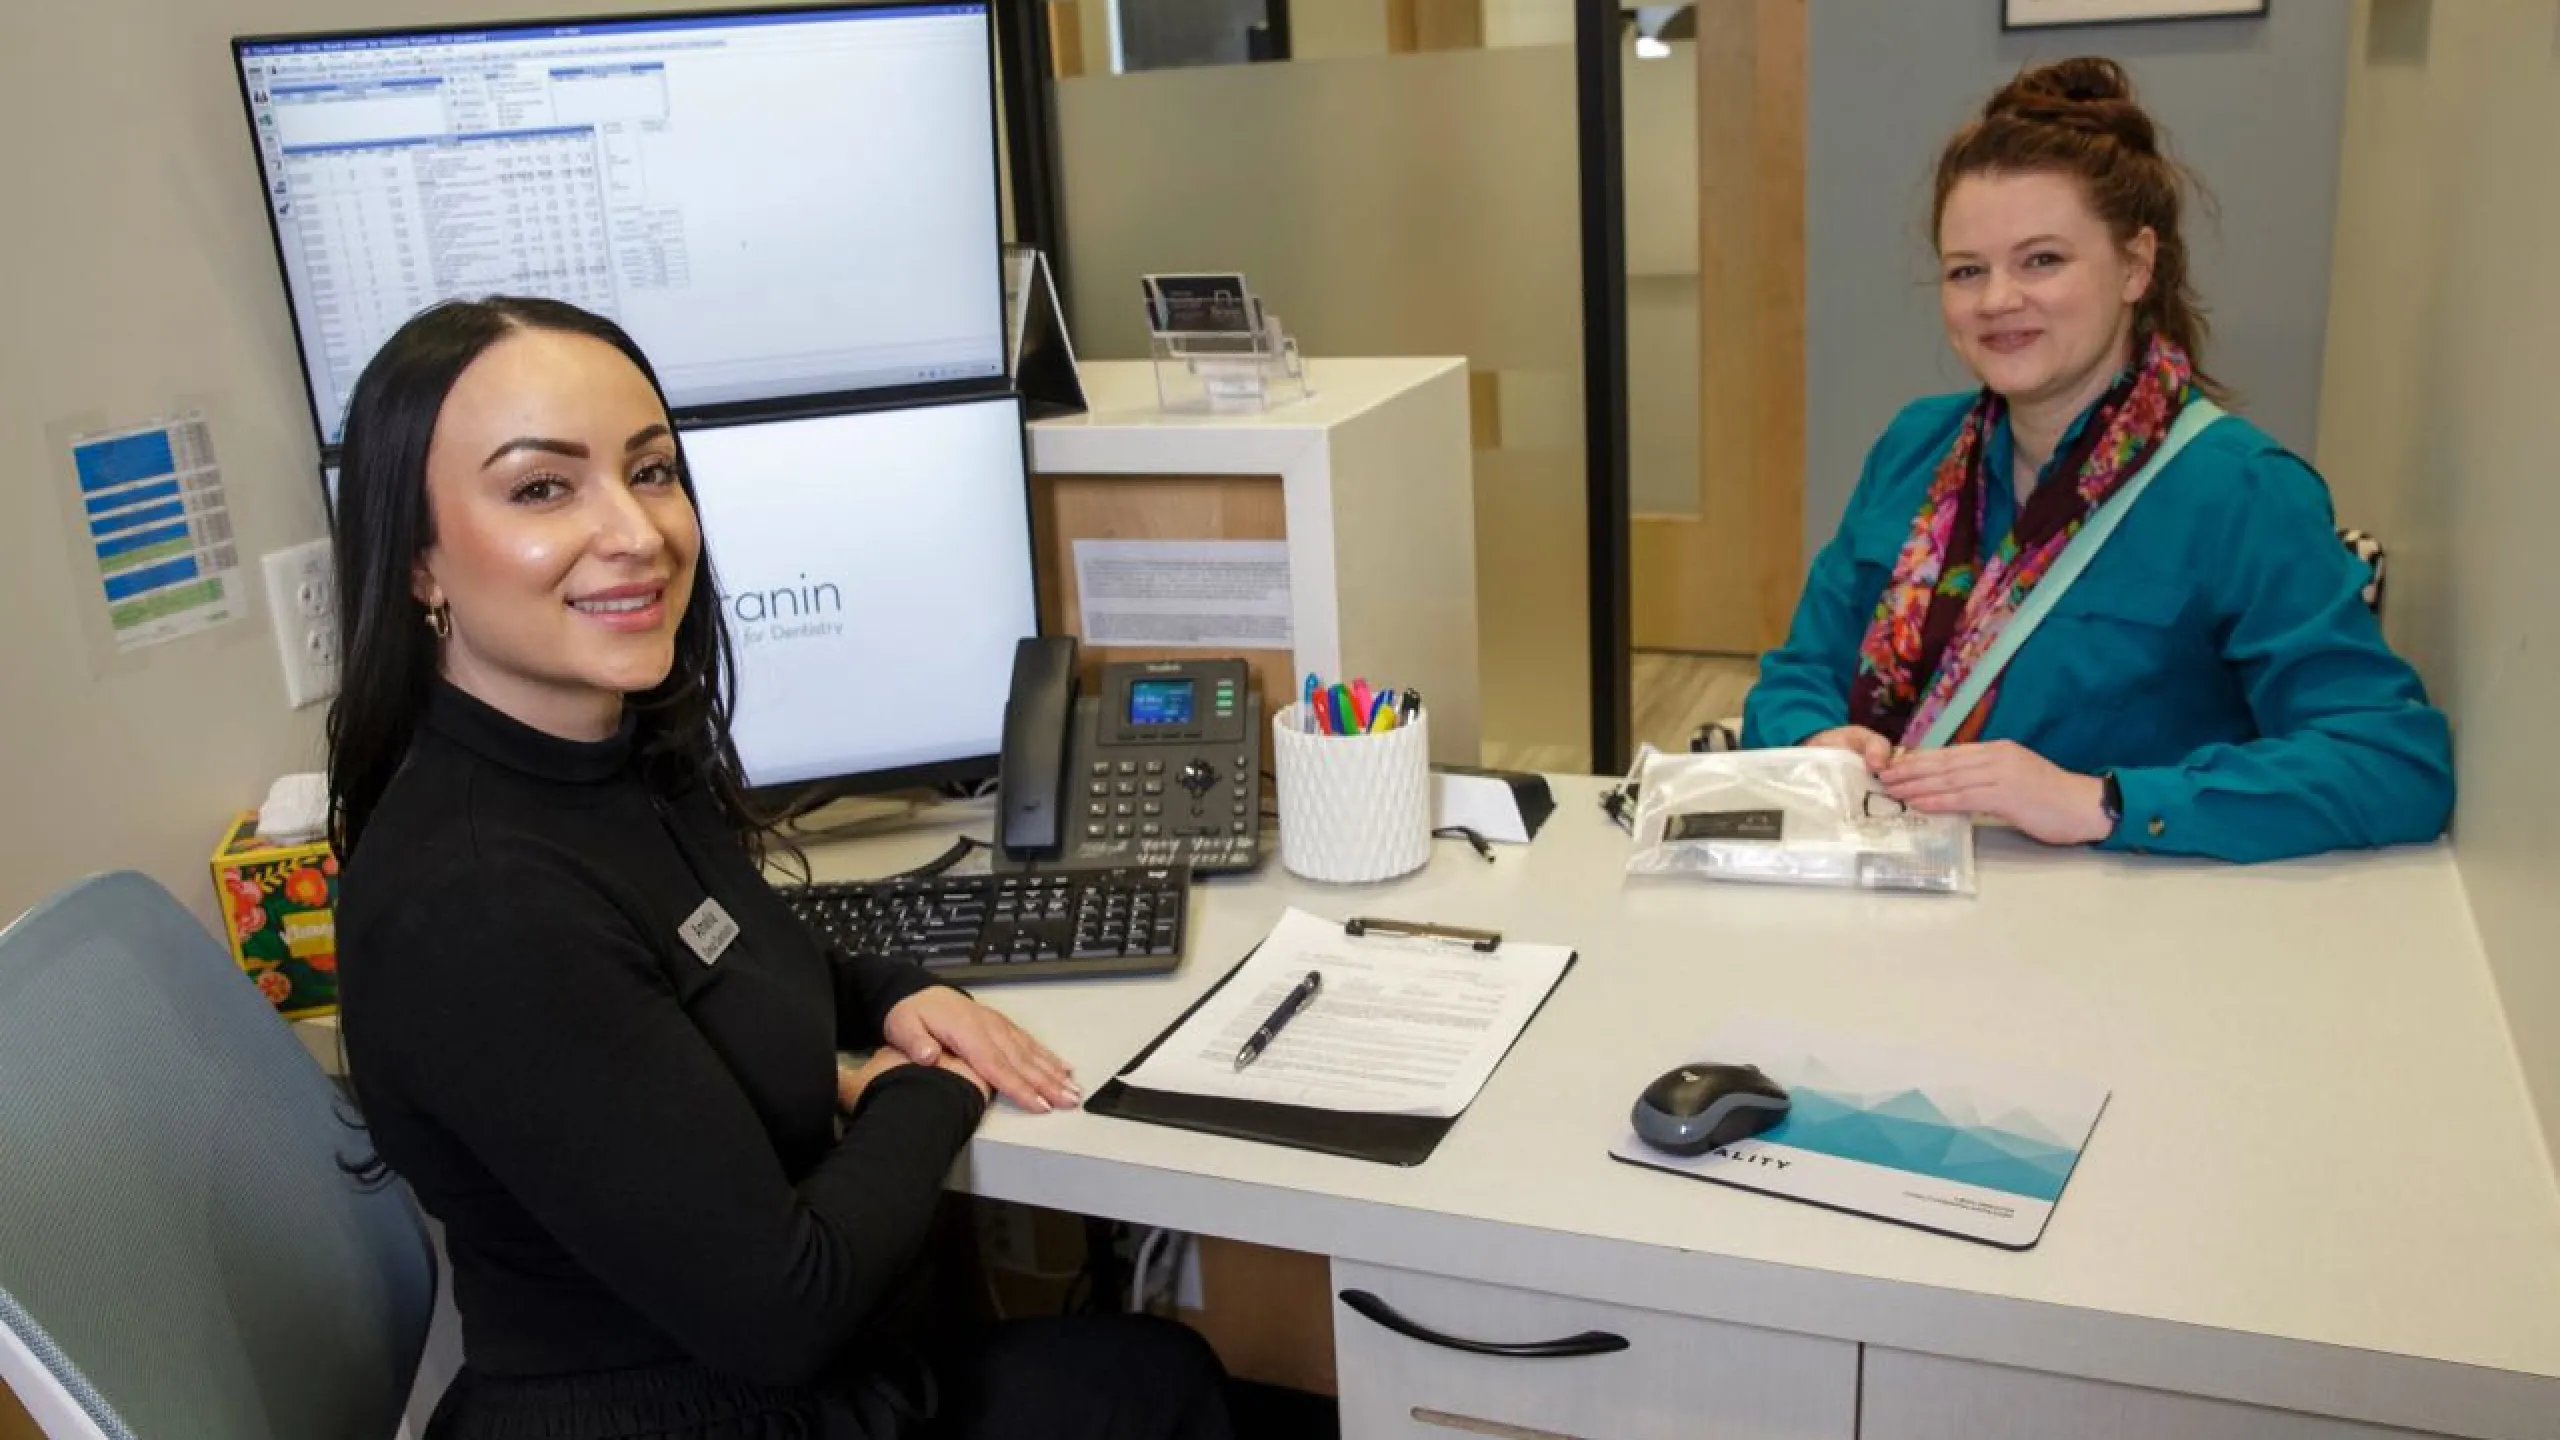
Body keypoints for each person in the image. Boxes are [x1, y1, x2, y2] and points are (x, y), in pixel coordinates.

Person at [328, 296, 1233, 1440]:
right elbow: (784, 1306)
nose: (638, 531)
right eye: (542, 488)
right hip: (685, 1407)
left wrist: (903, 991)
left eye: (650, 471)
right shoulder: (482, 901)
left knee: (1145, 1375)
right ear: (420, 567)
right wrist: (932, 1087)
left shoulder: (605, 763)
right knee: (1154, 1389)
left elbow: (727, 941)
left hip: (758, 1376)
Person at [1743, 57, 2453, 864]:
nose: (1998, 299)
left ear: (2136, 265)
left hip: (2116, 944)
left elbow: (2391, 763)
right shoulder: (1914, 448)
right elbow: (1798, 671)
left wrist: (2101, 801)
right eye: (1966, 270)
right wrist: (1817, 738)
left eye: (2042, 260)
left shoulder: (2241, 489)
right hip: (1890, 900)